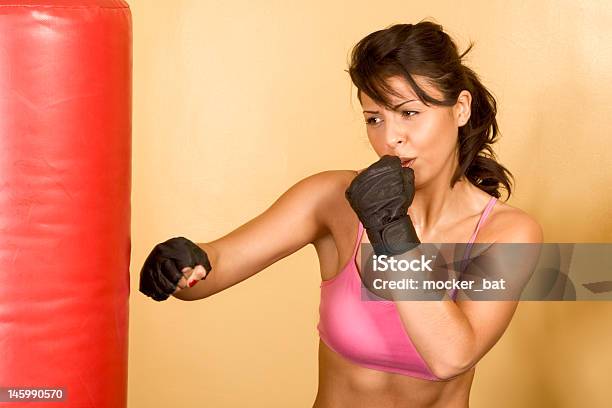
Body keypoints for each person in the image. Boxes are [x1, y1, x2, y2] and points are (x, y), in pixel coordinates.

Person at [139, 20, 543, 408]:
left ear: (460, 109)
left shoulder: (507, 232)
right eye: (374, 119)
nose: (390, 138)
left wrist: (392, 233)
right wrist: (186, 263)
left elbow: (451, 357)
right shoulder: (333, 199)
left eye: (409, 112)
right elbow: (217, 265)